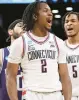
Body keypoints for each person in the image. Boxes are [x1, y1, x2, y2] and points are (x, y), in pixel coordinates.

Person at [6, 1, 72, 100]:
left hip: (55, 94)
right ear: (35, 16)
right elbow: (10, 76)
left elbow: (65, 76)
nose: (50, 13)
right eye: (45, 11)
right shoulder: (20, 43)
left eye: (50, 11)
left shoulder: (58, 42)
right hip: (31, 94)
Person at [0, 19, 24, 100]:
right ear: (10, 32)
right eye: (21, 26)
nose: (25, 28)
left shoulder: (33, 55)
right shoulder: (1, 53)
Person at [62, 11, 79, 100]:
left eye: (73, 21)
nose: (69, 24)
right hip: (64, 96)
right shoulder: (58, 47)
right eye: (66, 21)